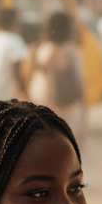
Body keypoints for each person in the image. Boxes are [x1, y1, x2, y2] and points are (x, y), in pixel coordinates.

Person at [28, 11, 87, 146]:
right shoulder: (71, 51)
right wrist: (84, 114)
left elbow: (36, 81)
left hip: (42, 104)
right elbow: (80, 83)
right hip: (66, 107)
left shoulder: (42, 49)